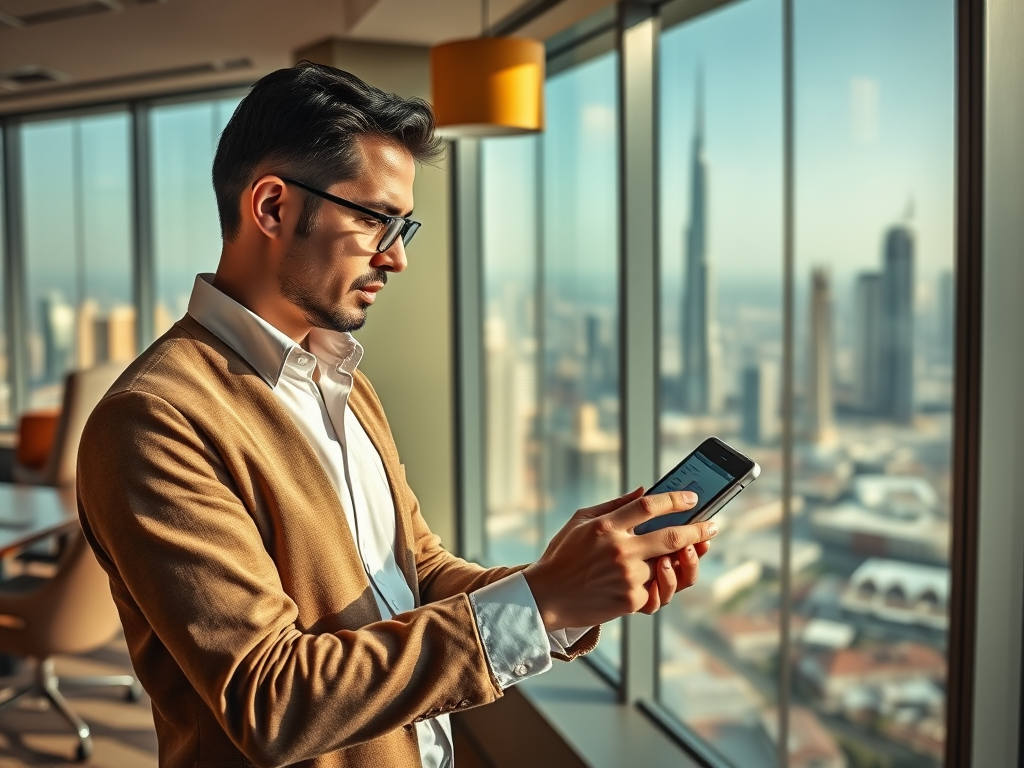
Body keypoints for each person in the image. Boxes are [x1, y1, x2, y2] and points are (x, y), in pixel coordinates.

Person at [77, 62, 718, 768]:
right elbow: (273, 701)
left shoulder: (342, 382)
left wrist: (572, 586)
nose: (396, 257)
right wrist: (541, 601)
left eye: (402, 226)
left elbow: (413, 573)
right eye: (375, 219)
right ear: (272, 208)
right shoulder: (153, 420)